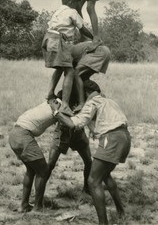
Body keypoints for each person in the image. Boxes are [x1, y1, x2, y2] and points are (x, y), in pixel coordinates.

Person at [51, 80, 131, 225]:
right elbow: (99, 124)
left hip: (111, 139)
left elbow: (73, 124)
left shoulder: (92, 102)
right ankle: (121, 211)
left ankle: (103, 223)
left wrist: (56, 111)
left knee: (93, 181)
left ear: (86, 93)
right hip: (125, 137)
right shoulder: (109, 101)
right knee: (105, 175)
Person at [42, 0, 93, 116]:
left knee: (59, 68)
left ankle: (50, 92)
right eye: (76, 3)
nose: (77, 6)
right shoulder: (72, 12)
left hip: (48, 40)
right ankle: (65, 104)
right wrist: (94, 38)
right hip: (60, 41)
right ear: (70, 2)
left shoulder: (57, 12)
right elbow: (83, 29)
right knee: (69, 71)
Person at [8, 98, 61, 213]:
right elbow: (71, 122)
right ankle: (37, 207)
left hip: (14, 134)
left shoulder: (48, 102)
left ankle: (24, 205)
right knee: (43, 171)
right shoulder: (59, 106)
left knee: (31, 170)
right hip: (23, 135)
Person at [47, 89, 92, 194]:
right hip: (63, 132)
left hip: (78, 132)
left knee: (89, 161)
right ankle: (39, 192)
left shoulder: (80, 98)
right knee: (50, 164)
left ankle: (87, 187)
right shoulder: (61, 97)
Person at [71, 40, 111, 111]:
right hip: (105, 51)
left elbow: (68, 75)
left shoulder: (66, 53)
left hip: (99, 52)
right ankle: (95, 97)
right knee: (82, 77)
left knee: (76, 73)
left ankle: (81, 103)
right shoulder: (76, 48)